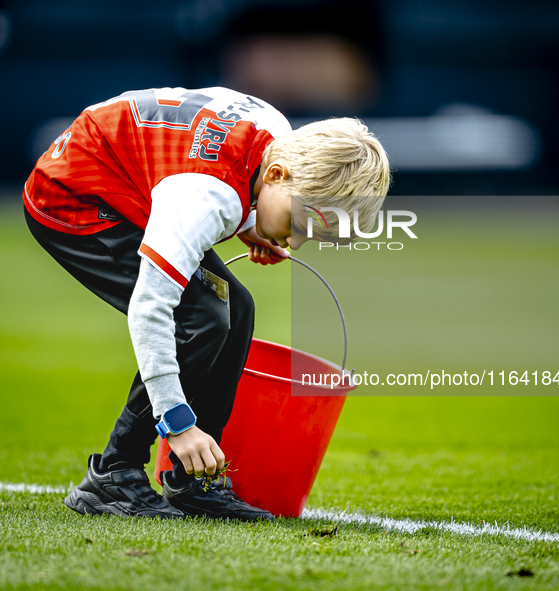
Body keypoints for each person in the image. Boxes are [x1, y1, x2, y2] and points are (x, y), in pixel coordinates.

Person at [23, 86, 390, 521]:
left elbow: (213, 153)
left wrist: (253, 221)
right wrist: (177, 422)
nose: (296, 241)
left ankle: (193, 478)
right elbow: (150, 308)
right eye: (297, 223)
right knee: (198, 316)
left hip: (136, 183)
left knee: (238, 307)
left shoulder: (275, 136)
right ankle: (114, 474)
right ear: (275, 176)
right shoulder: (205, 195)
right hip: (75, 196)